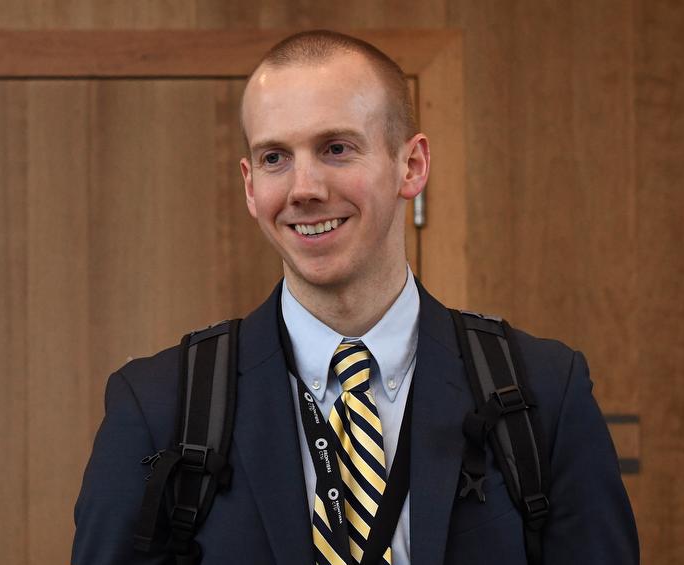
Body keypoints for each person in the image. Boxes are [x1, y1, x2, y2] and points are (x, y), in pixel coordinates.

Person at [72, 30, 639, 565]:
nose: (305, 189)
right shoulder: (156, 408)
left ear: (410, 166)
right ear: (250, 185)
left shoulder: (545, 393)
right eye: (275, 158)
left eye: (336, 148)